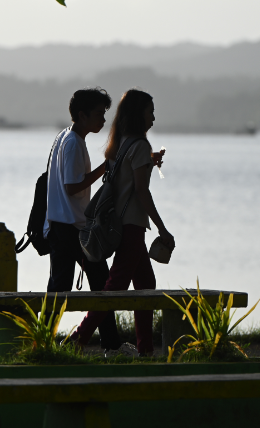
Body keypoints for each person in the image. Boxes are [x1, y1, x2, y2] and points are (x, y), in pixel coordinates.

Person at [72, 89, 174, 357]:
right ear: (139, 114)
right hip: (131, 228)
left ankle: (146, 352)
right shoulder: (139, 145)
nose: (153, 117)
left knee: (145, 287)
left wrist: (149, 162)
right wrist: (162, 229)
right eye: (150, 111)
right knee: (114, 289)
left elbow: (124, 178)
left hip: (122, 226)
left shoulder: (121, 143)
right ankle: (78, 337)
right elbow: (141, 192)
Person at [44, 87, 122, 353]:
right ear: (82, 114)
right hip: (72, 228)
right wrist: (106, 168)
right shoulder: (74, 143)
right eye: (99, 114)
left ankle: (42, 342)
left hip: (63, 225)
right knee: (98, 286)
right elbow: (72, 187)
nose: (103, 119)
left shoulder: (64, 137)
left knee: (63, 288)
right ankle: (110, 345)